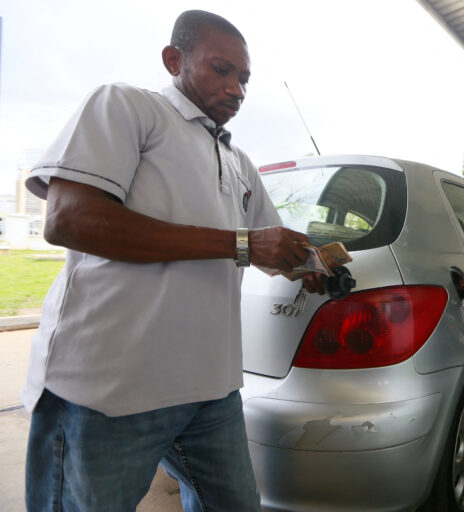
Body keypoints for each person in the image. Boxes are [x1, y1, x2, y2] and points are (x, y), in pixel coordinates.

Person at [22, 10, 323, 511]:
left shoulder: (239, 162)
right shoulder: (127, 107)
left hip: (211, 392)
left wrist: (308, 264)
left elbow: (264, 245)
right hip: (109, 393)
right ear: (173, 60)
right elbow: (69, 219)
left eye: (244, 79)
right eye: (221, 70)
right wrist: (244, 245)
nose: (237, 90)